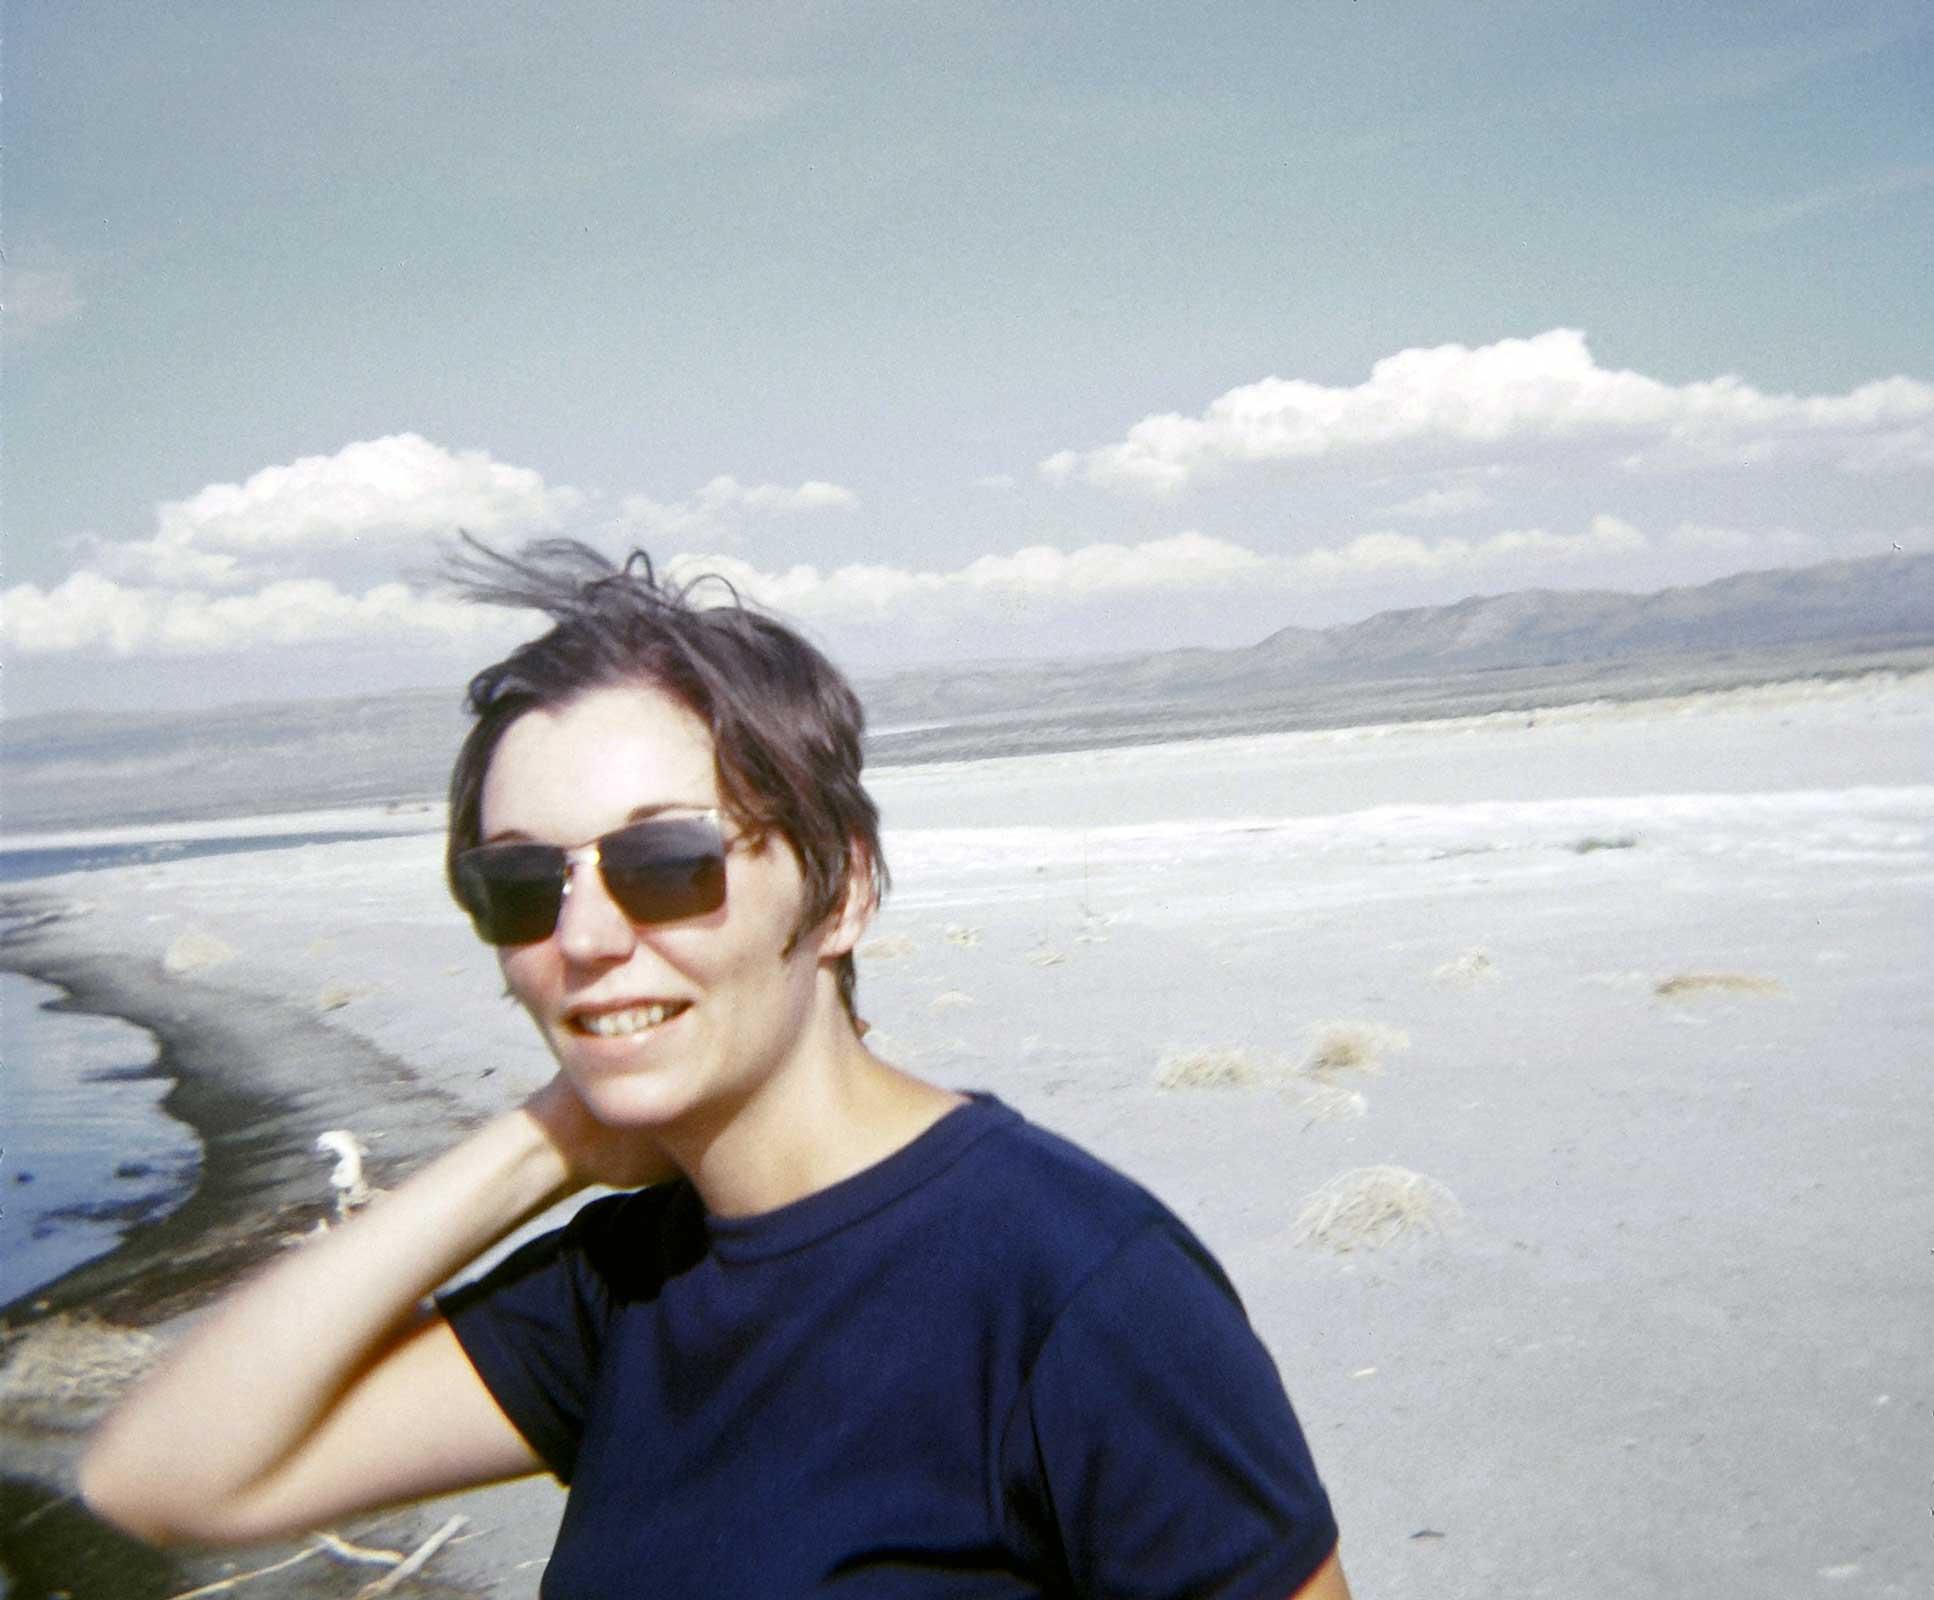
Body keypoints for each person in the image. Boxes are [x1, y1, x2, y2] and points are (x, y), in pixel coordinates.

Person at [81, 540, 1350, 1598]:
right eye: (520, 884)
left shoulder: (1073, 1288)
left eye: (666, 862)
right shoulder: (625, 1287)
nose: (583, 938)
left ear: (840, 885)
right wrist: (544, 1143)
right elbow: (166, 1479)